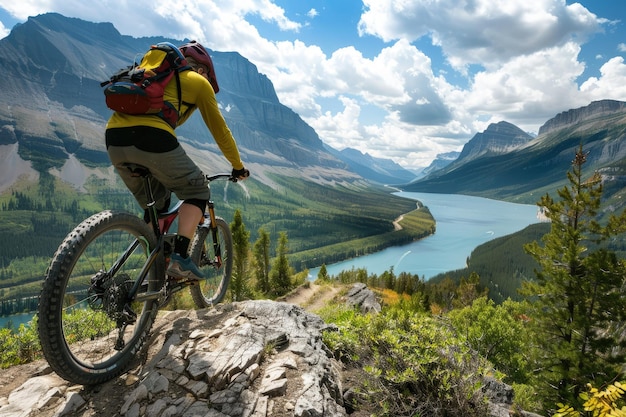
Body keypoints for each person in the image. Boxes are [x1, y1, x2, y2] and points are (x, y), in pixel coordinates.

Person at [105, 40, 249, 282]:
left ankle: (152, 269)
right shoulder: (198, 82)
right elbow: (221, 132)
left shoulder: (150, 77)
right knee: (197, 189)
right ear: (203, 70)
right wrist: (238, 166)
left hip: (115, 140)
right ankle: (181, 259)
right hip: (152, 139)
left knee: (157, 205)